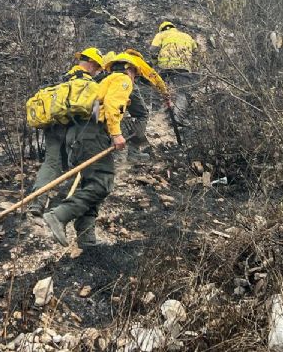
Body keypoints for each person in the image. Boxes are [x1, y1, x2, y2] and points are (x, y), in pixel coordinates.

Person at [42, 52, 141, 248]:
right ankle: (59, 215)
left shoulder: (103, 82)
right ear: (129, 69)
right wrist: (115, 134)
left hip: (80, 136)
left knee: (91, 184)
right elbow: (114, 106)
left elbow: (97, 110)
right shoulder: (122, 79)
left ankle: (86, 239)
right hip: (92, 136)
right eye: (135, 75)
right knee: (102, 183)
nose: (134, 79)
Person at [26, 47, 104, 217]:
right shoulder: (88, 85)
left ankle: (37, 203)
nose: (98, 72)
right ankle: (66, 210)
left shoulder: (62, 80)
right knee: (78, 166)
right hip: (72, 129)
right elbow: (95, 115)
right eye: (97, 68)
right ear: (91, 64)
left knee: (51, 164)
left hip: (52, 127)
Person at [150, 21, 198, 128]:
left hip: (165, 66)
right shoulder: (187, 36)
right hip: (183, 67)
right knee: (183, 93)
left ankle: (155, 113)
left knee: (158, 88)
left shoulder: (161, 35)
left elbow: (153, 50)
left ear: (162, 29)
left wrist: (155, 63)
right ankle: (178, 118)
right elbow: (195, 51)